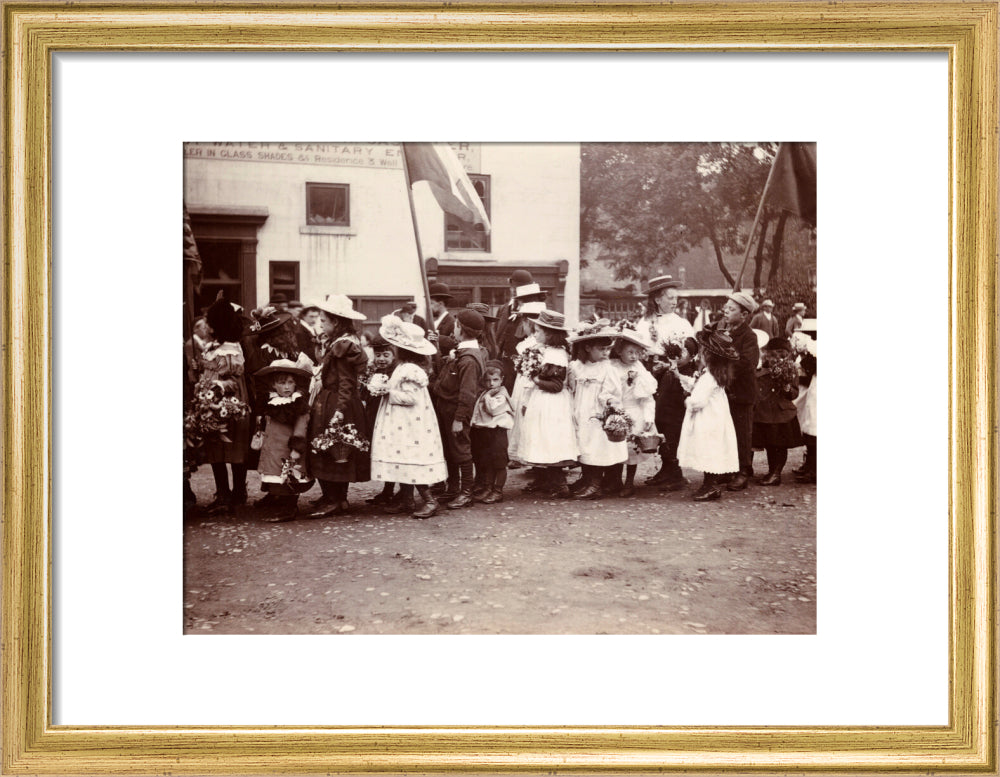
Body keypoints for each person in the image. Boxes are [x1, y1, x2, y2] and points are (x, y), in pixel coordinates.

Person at [369, 315, 447, 519]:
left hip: (410, 421)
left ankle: (430, 500)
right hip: (401, 420)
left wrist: (387, 391)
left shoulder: (410, 370)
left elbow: (411, 398)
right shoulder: (403, 367)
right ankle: (406, 500)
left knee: (410, 456)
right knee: (402, 457)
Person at [306, 294, 371, 517]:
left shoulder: (344, 345)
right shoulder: (338, 342)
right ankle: (332, 497)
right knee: (327, 446)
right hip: (329, 398)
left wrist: (340, 411)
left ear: (336, 322)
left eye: (324, 321)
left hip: (337, 402)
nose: (320, 324)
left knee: (335, 446)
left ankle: (336, 499)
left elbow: (346, 382)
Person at [638, 275, 695, 490]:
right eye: (670, 298)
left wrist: (673, 364)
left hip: (673, 377)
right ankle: (666, 467)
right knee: (656, 420)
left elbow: (690, 352)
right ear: (657, 300)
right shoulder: (644, 323)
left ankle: (675, 471)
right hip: (650, 374)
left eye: (675, 298)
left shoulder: (681, 323)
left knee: (671, 420)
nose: (674, 302)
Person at [200, 294, 253, 514]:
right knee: (217, 447)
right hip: (213, 403)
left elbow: (233, 379)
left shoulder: (230, 349)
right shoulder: (216, 347)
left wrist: (217, 385)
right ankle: (225, 493)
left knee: (231, 447)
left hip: (228, 404)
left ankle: (236, 493)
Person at [516, 310, 578, 498]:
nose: (535, 334)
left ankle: (559, 483)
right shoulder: (547, 351)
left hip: (552, 403)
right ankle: (544, 479)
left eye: (538, 331)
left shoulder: (556, 355)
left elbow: (556, 385)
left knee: (551, 439)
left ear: (550, 334)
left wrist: (534, 378)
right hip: (542, 400)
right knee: (541, 438)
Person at [432, 309, 487, 509]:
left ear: (460, 329)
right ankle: (453, 488)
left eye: (455, 325)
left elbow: (467, 393)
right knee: (450, 450)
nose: (453, 329)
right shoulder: (463, 352)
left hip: (456, 410)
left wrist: (459, 419)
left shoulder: (469, 359)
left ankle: (466, 492)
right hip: (447, 408)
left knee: (461, 450)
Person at [677, 329, 741, 501]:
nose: (700, 356)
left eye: (703, 352)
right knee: (711, 448)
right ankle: (709, 484)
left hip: (708, 419)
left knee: (707, 449)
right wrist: (682, 378)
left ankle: (711, 486)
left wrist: (688, 402)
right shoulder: (713, 374)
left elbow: (698, 400)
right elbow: (697, 385)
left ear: (710, 356)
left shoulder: (709, 377)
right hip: (716, 417)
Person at [568, 321, 628, 500]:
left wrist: (608, 402)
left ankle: (596, 483)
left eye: (607, 349)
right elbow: (572, 387)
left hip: (597, 412)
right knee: (583, 443)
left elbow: (612, 391)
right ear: (587, 347)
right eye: (601, 349)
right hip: (581, 409)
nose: (605, 353)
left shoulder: (607, 369)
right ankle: (587, 478)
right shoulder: (577, 366)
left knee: (596, 445)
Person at [252, 356, 314, 522]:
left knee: (289, 476)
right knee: (276, 476)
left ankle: (290, 508)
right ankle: (279, 502)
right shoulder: (273, 401)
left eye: (290, 382)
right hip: (274, 448)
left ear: (296, 384)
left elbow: (301, 426)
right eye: (281, 383)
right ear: (273, 384)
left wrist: (296, 448)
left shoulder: (297, 403)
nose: (286, 387)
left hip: (288, 449)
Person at [717, 290, 761, 490]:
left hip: (742, 393)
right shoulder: (724, 332)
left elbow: (747, 363)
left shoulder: (749, 336)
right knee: (727, 432)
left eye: (731, 309)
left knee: (742, 433)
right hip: (725, 392)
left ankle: (744, 471)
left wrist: (725, 360)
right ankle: (730, 469)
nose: (726, 311)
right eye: (726, 308)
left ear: (744, 315)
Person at [609, 323, 657, 497]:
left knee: (632, 450)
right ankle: (614, 480)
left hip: (634, 411)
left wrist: (648, 416)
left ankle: (629, 482)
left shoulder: (639, 369)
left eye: (637, 352)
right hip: (617, 410)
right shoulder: (612, 366)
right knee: (615, 447)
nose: (634, 356)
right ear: (620, 350)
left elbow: (647, 397)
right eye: (630, 352)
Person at [751, 338, 804, 485]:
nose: (777, 358)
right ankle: (771, 472)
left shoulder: (790, 368)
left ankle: (776, 473)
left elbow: (793, 393)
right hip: (765, 412)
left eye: (782, 354)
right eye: (773, 354)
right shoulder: (761, 367)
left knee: (779, 445)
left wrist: (786, 386)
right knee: (770, 444)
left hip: (781, 413)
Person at [506, 300, 546, 469]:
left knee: (530, 421)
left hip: (530, 384)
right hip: (523, 382)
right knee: (523, 421)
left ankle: (538, 466)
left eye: (523, 321)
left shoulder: (533, 344)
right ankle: (532, 464)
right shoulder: (528, 341)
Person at [360, 332, 397, 506]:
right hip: (374, 414)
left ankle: (399, 491)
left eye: (386, 355)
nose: (381, 359)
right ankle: (387, 490)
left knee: (392, 451)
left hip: (391, 416)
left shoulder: (395, 372)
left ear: (394, 355)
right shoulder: (373, 370)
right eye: (378, 355)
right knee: (381, 451)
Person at [470, 361, 514, 504]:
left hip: (497, 431)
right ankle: (488, 488)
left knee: (499, 463)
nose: (491, 383)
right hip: (487, 430)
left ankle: (498, 491)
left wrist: (488, 397)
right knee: (488, 461)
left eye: (495, 380)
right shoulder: (487, 392)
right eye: (488, 380)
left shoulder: (501, 394)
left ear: (502, 379)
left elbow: (493, 409)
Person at [496, 279, 548, 392]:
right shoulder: (508, 311)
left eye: (520, 301)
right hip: (510, 362)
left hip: (522, 366)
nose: (518, 304)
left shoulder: (534, 315)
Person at [791, 331, 817, 484]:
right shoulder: (813, 350)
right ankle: (810, 465)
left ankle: (814, 469)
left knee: (814, 428)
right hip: (812, 387)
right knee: (810, 427)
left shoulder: (815, 349)